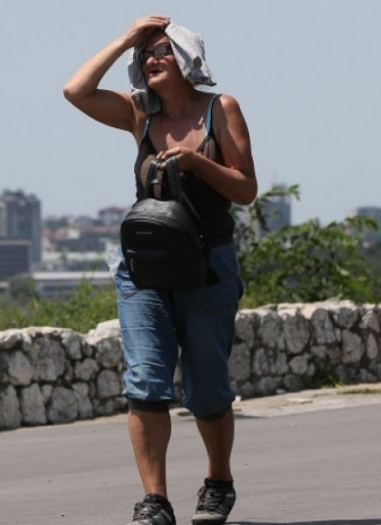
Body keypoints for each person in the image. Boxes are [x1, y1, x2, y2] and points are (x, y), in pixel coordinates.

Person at [64, 15, 257, 525]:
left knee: (207, 388)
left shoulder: (221, 110)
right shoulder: (138, 114)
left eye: (162, 51)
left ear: (187, 60)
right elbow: (75, 90)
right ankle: (155, 500)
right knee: (145, 382)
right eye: (144, 53)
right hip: (145, 266)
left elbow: (245, 189)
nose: (150, 58)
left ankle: (218, 479)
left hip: (207, 263)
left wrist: (197, 165)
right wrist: (127, 36)